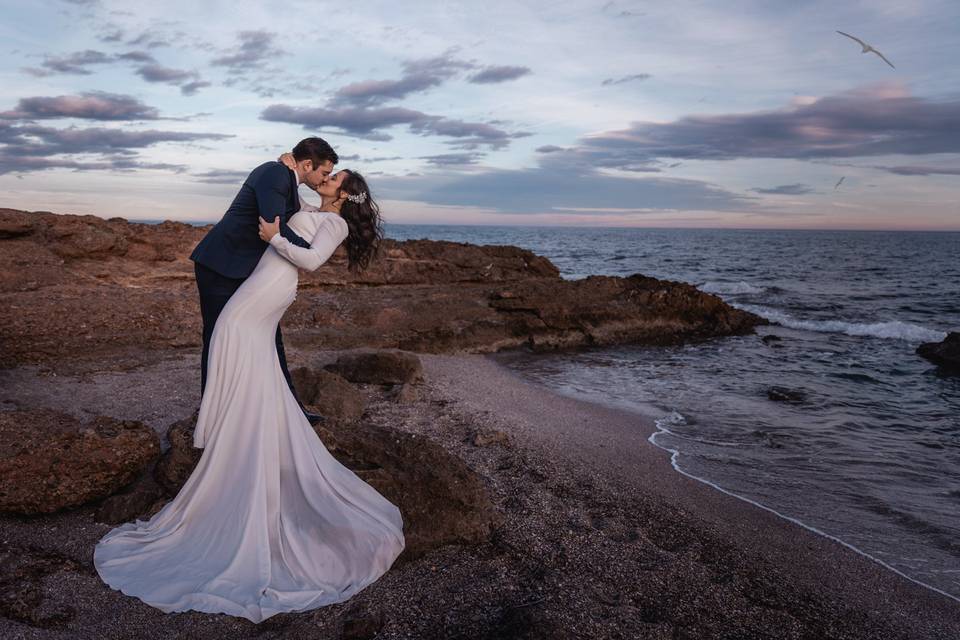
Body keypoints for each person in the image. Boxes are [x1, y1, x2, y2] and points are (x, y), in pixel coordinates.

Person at [93, 164, 400, 623]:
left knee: (233, 332)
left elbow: (311, 261)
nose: (328, 178)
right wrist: (283, 188)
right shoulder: (311, 207)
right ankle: (240, 425)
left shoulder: (333, 222)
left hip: (273, 286)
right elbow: (279, 199)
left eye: (336, 178)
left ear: (345, 194)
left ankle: (236, 429)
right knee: (236, 343)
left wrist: (275, 236)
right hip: (262, 282)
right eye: (328, 173)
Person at [189, 137, 337, 425]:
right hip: (220, 265)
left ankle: (292, 411)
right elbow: (272, 223)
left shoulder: (287, 180)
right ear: (307, 164)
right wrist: (309, 252)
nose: (325, 178)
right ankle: (212, 416)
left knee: (271, 337)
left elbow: (297, 215)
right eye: (324, 172)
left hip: (246, 271)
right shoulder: (274, 173)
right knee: (216, 337)